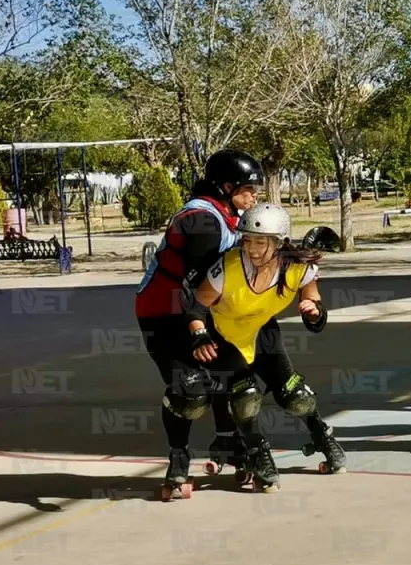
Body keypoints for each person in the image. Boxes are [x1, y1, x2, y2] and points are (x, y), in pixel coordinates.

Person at [135, 149, 263, 500]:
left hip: (201, 311)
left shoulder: (229, 214)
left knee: (236, 381)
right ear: (226, 186)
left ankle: (231, 445)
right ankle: (178, 460)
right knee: (191, 392)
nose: (253, 197)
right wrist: (199, 332)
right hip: (164, 313)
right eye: (249, 189)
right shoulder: (201, 220)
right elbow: (196, 283)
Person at [189, 203, 333, 492]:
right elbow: (193, 307)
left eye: (259, 242)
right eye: (247, 240)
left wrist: (313, 311)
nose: (251, 248)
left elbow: (314, 301)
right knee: (245, 396)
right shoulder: (228, 267)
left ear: (278, 242)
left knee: (296, 396)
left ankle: (322, 434)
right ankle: (258, 453)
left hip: (262, 331)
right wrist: (200, 335)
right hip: (223, 335)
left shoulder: (297, 266)